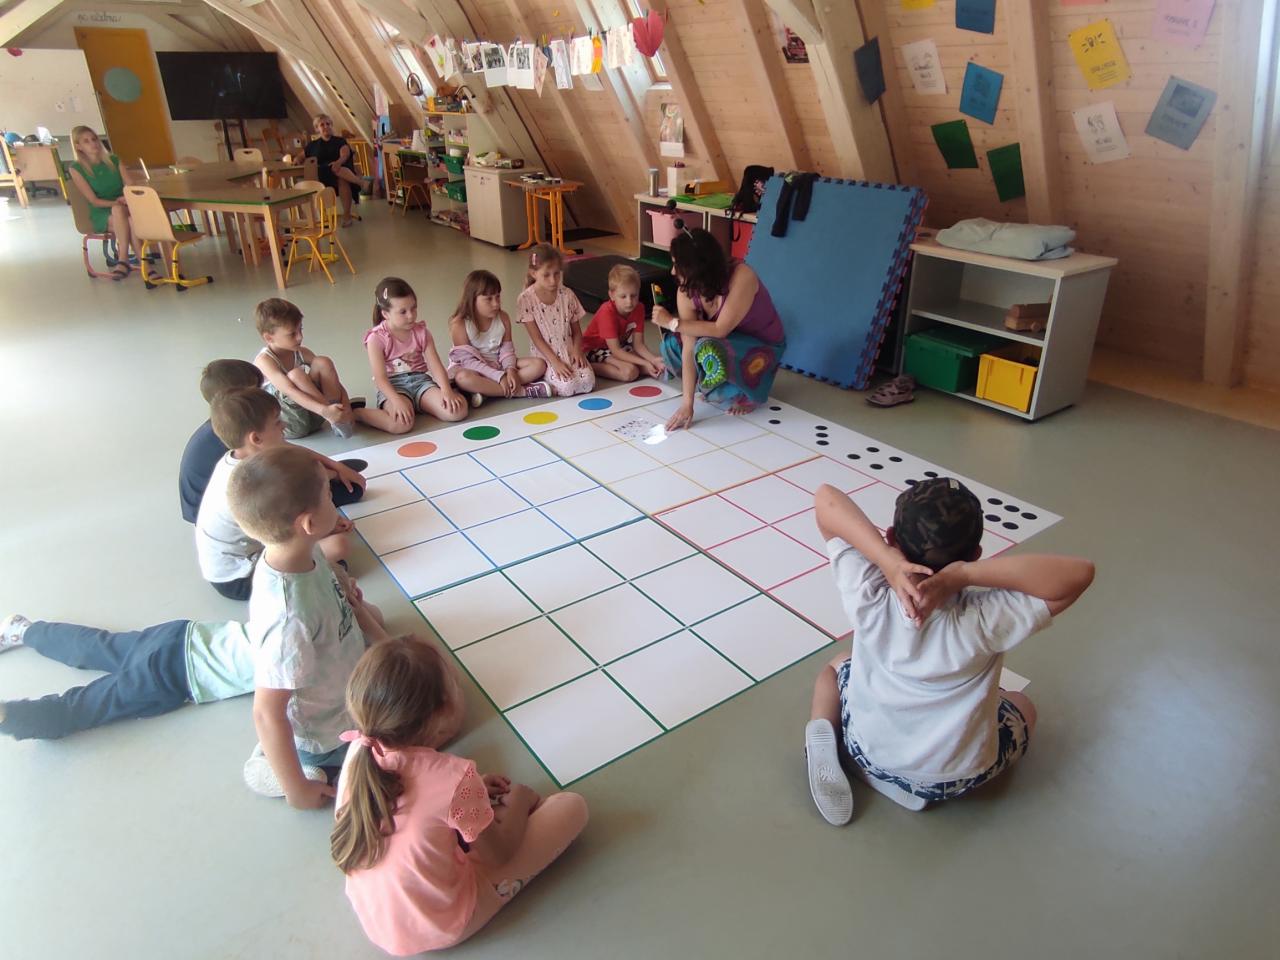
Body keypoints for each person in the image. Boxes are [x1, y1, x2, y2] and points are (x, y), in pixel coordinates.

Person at [804, 479, 1095, 825]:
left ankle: (824, 735)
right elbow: (1080, 574)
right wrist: (967, 575)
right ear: (975, 554)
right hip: (954, 779)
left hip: (866, 749)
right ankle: (916, 783)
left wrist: (886, 560)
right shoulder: (985, 616)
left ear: (892, 537)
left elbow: (826, 500)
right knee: (1023, 704)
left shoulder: (870, 589)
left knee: (836, 666)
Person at [230, 447, 463, 805]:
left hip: (346, 672)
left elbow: (333, 589)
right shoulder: (289, 619)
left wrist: (355, 605)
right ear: (309, 524)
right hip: (331, 733)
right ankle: (300, 768)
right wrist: (297, 790)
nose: (335, 502)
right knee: (449, 717)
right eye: (328, 495)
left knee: (424, 665)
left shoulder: (298, 551)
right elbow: (266, 711)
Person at [333, 637, 587, 954]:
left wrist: (473, 793)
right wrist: (520, 801)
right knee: (571, 807)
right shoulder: (453, 778)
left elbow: (416, 801)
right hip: (439, 923)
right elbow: (501, 854)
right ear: (444, 710)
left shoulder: (360, 750)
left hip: (377, 917)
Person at [195, 388, 360, 601]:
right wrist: (324, 526)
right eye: (277, 422)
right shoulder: (252, 480)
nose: (284, 425)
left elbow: (292, 453)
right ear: (256, 438)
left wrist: (335, 471)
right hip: (238, 577)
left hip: (250, 549)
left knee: (333, 538)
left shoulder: (243, 457)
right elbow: (280, 527)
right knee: (338, 547)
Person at [0, 613, 252, 741]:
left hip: (183, 635)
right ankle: (9, 717)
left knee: (98, 645)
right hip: (174, 673)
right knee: (78, 708)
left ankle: (24, 630)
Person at [651, 228, 786, 430]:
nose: (672, 271)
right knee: (672, 346)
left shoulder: (742, 276)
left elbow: (720, 329)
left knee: (709, 348)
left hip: (760, 347)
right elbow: (689, 344)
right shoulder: (686, 290)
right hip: (724, 341)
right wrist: (687, 404)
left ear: (697, 269)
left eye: (677, 266)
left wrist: (672, 322)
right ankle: (717, 385)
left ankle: (745, 394)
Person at [362, 277, 467, 434]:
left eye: (414, 308)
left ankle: (418, 404)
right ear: (385, 313)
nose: (411, 316)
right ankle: (358, 414)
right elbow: (380, 379)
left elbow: (435, 366)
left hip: (420, 382)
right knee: (401, 424)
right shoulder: (376, 338)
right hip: (393, 387)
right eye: (403, 312)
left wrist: (446, 390)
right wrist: (396, 401)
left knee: (458, 411)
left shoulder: (422, 332)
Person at [253, 298, 358, 440]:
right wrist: (325, 411)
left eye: (300, 330)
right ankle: (333, 416)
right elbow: (289, 391)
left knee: (323, 362)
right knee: (296, 375)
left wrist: (345, 405)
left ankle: (338, 416)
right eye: (292, 334)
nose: (300, 337)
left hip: (313, 416)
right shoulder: (264, 360)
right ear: (269, 338)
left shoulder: (300, 352)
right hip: (290, 424)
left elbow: (332, 378)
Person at [447, 269, 549, 407]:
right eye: (488, 299)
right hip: (474, 369)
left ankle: (488, 391)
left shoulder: (503, 318)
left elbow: (507, 350)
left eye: (498, 297)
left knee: (539, 365)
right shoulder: (459, 324)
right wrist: (499, 377)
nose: (496, 303)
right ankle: (521, 391)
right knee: (462, 378)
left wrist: (511, 370)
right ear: (472, 299)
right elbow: (468, 362)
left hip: (498, 364)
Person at [179, 359, 263, 524]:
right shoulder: (231, 437)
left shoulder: (225, 424)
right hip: (211, 514)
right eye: (255, 392)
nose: (263, 396)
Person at [516, 244, 595, 397]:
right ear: (533, 273)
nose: (553, 280)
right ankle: (538, 381)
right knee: (568, 387)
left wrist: (577, 350)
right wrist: (555, 362)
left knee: (588, 382)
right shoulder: (526, 299)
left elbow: (577, 332)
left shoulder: (568, 294)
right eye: (546, 275)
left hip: (569, 350)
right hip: (547, 355)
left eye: (557, 274)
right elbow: (537, 339)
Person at [65, 125, 138, 280]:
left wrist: (125, 197)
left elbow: (130, 184)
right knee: (127, 220)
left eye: (94, 139)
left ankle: (125, 262)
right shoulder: (76, 168)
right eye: (86, 141)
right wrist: (116, 204)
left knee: (122, 214)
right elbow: (94, 201)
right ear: (78, 146)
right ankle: (132, 262)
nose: (93, 143)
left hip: (124, 205)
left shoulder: (114, 160)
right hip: (102, 210)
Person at [582, 263, 665, 383]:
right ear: (612, 295)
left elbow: (638, 345)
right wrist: (645, 362)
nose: (629, 302)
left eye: (634, 296)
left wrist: (653, 360)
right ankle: (587, 367)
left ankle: (628, 364)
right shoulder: (606, 312)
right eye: (623, 296)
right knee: (630, 372)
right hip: (594, 349)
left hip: (619, 346)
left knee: (652, 366)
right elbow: (616, 351)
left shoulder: (639, 308)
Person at [304, 114, 370, 227]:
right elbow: (301, 156)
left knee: (340, 177)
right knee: (334, 169)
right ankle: (360, 182)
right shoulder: (312, 145)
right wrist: (295, 159)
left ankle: (347, 215)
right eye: (322, 125)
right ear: (317, 128)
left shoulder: (340, 141)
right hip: (321, 175)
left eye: (328, 124)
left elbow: (345, 154)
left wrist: (338, 162)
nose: (326, 126)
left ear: (332, 125)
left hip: (340, 172)